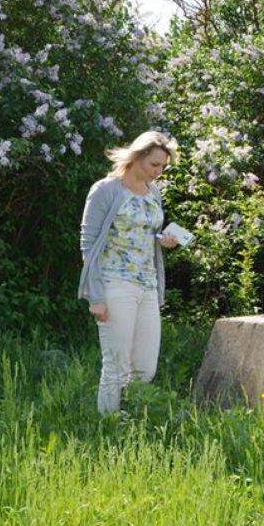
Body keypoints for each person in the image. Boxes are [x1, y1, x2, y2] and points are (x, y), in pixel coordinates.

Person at [78, 131, 179, 414]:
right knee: (117, 365)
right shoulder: (106, 190)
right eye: (154, 165)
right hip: (114, 285)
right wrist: (95, 296)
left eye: (163, 167)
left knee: (146, 367)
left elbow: (146, 234)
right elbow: (88, 243)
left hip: (147, 286)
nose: (159, 172)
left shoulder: (153, 192)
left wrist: (165, 240)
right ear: (137, 157)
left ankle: (131, 419)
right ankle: (110, 428)